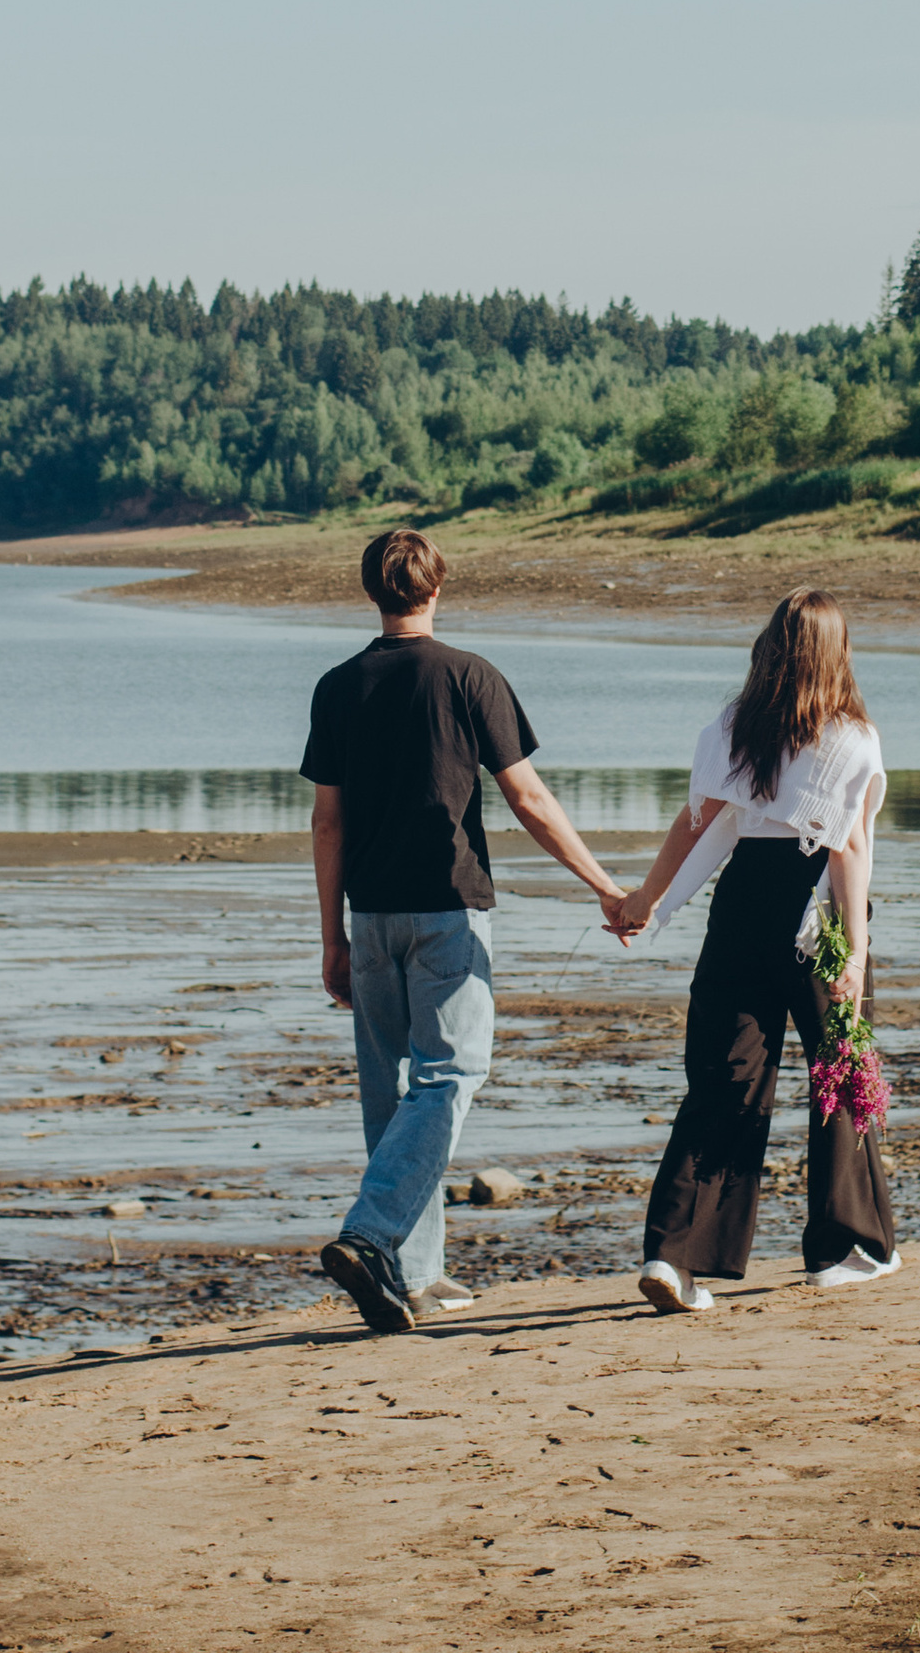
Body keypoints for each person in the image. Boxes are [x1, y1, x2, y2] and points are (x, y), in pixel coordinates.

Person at [303, 524, 630, 1335]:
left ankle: (414, 1275)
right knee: (451, 1078)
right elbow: (529, 799)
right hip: (449, 909)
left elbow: (326, 822)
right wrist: (606, 885)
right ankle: (372, 1235)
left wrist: (331, 937)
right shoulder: (469, 677)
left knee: (392, 1094)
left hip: (371, 914)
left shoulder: (337, 685)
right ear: (436, 587)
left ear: (373, 592)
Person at [616, 587, 900, 1308]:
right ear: (838, 653)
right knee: (839, 1074)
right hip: (816, 916)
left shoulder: (733, 726)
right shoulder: (851, 737)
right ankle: (842, 1250)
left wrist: (650, 898)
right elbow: (849, 849)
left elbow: (698, 823)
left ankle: (672, 1253)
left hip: (740, 905)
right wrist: (856, 955)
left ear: (770, 647)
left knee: (724, 1077)